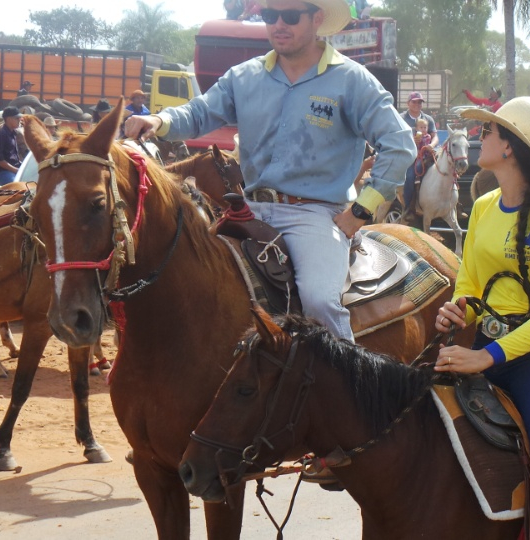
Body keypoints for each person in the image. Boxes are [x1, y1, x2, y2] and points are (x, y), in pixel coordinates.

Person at [124, 0, 414, 343]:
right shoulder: (244, 76)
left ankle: (344, 385)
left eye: (290, 16)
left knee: (319, 302)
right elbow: (200, 113)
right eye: (269, 15)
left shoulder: (352, 80)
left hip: (315, 214)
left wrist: (360, 211)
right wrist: (159, 120)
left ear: (317, 19)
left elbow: (399, 144)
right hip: (247, 210)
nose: (279, 24)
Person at [433, 96, 530, 540]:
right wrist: (458, 307)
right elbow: (469, 280)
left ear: (509, 148)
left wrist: (485, 359)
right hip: (481, 343)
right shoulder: (483, 205)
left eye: (489, 131)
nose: (480, 137)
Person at [400, 90, 438, 218]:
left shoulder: (428, 119)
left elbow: (435, 136)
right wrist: (411, 139)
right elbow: (395, 136)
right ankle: (409, 208)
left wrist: (431, 145)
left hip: (426, 154)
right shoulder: (401, 118)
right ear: (408, 103)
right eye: (414, 102)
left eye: (420, 102)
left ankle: (453, 204)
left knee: (446, 168)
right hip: (409, 156)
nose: (417, 104)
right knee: (410, 176)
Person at [0, 106, 22, 185]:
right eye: (17, 118)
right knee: (16, 187)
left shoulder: (14, 134)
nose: (19, 120)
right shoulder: (1, 135)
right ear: (8, 119)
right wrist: (16, 170)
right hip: (3, 172)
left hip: (14, 169)